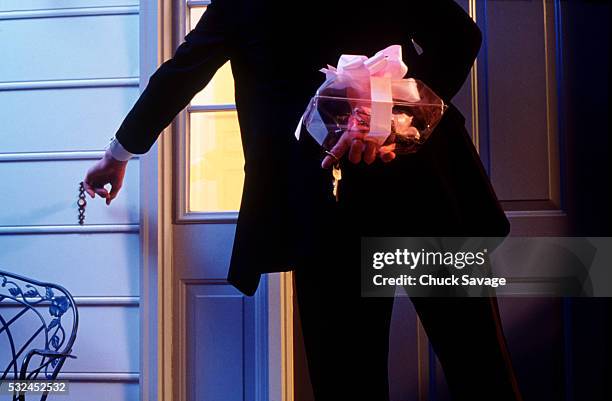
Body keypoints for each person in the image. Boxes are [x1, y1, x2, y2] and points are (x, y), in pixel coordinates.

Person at [83, 1, 523, 399]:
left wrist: (116, 155)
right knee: (460, 367)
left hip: (370, 204)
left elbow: (183, 71)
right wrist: (397, 116)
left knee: (439, 369)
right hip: (352, 209)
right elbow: (460, 38)